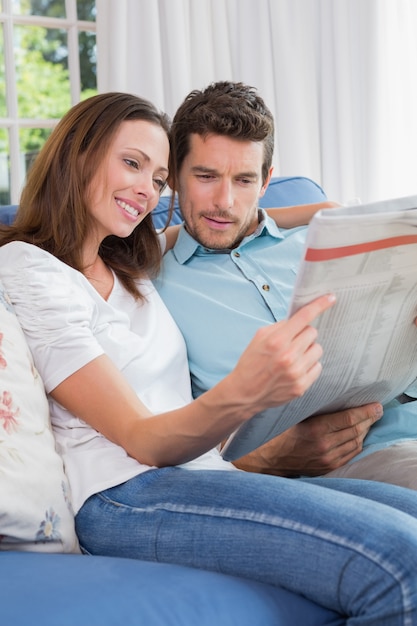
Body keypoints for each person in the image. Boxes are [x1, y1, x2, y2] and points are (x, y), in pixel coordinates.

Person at [2, 92, 417, 624]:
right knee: (402, 563)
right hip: (123, 494)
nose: (144, 191)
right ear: (77, 155)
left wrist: (343, 219)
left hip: (206, 474)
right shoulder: (30, 268)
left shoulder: (131, 253)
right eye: (131, 164)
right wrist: (245, 391)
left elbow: (232, 218)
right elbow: (142, 439)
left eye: (156, 179)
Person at [156, 80, 417, 490]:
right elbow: (159, 429)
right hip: (351, 466)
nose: (224, 201)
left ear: (265, 181)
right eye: (206, 176)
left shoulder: (322, 240)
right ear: (174, 175)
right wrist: (255, 456)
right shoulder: (153, 280)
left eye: (243, 180)